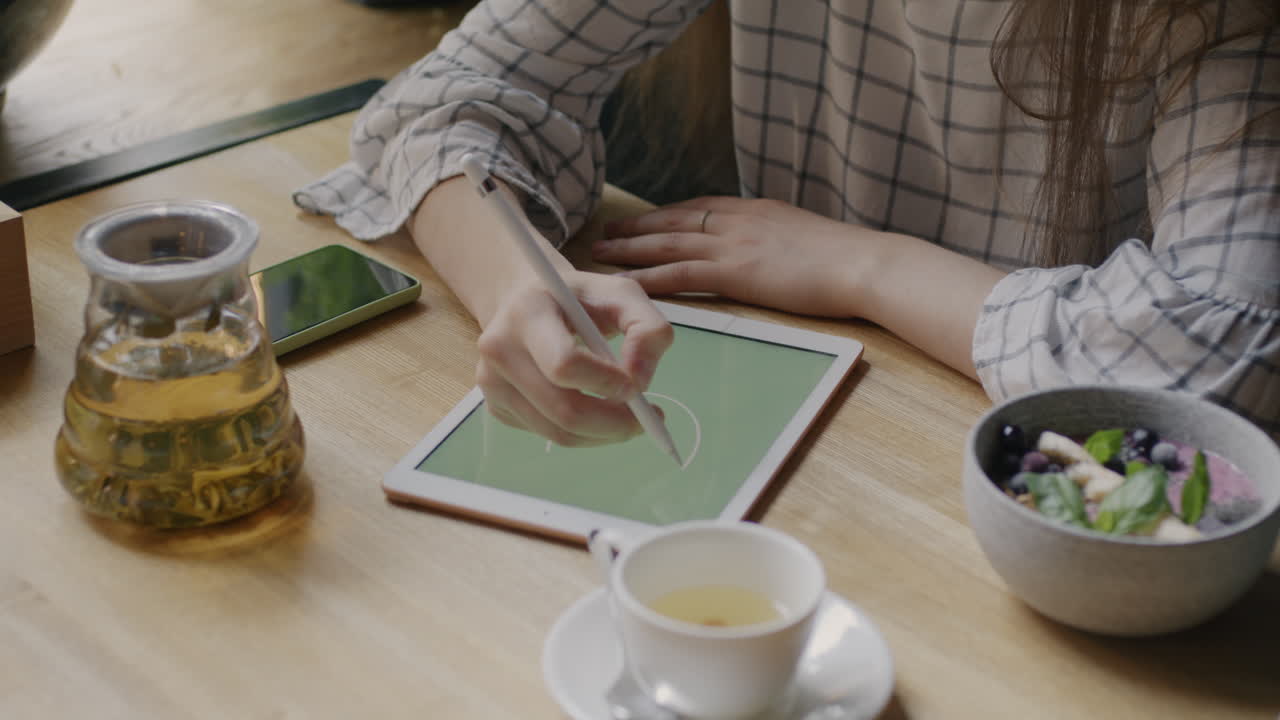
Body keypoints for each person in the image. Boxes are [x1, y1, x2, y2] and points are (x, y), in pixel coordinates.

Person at [295, 0, 1280, 446]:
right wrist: (516, 284)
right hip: (827, 449)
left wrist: (865, 268)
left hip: (1032, 492)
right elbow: (444, 100)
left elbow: (1222, 355)